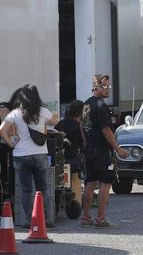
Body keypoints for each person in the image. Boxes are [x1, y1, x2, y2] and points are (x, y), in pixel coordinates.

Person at [0, 84, 59, 228]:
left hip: (20, 155)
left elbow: (2, 129)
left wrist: (11, 143)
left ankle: (28, 221)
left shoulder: (15, 113)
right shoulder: (43, 111)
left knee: (26, 190)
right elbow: (55, 121)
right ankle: (46, 220)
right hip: (40, 155)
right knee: (42, 189)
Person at [81, 75, 129, 228]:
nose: (108, 89)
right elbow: (106, 130)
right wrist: (118, 149)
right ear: (95, 87)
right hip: (101, 151)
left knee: (89, 183)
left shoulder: (86, 104)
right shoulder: (101, 106)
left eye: (109, 86)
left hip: (89, 149)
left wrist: (85, 145)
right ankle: (101, 218)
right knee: (106, 183)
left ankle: (86, 217)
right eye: (104, 86)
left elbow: (83, 127)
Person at [55, 100, 85, 204]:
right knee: (75, 177)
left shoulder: (61, 123)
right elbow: (83, 143)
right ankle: (77, 202)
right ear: (81, 113)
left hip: (59, 160)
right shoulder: (79, 127)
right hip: (72, 159)